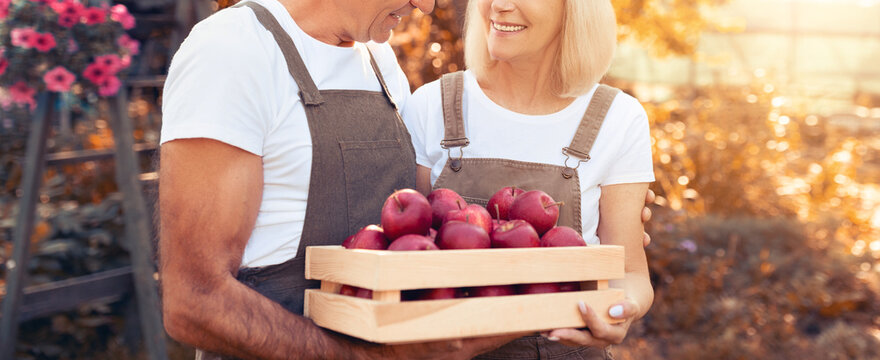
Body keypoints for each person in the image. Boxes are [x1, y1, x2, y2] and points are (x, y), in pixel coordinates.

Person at [402, 0, 654, 358]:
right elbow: (403, 251)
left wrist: (620, 308)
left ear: (574, 9)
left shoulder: (618, 118)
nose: (499, 5)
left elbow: (629, 271)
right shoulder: (431, 105)